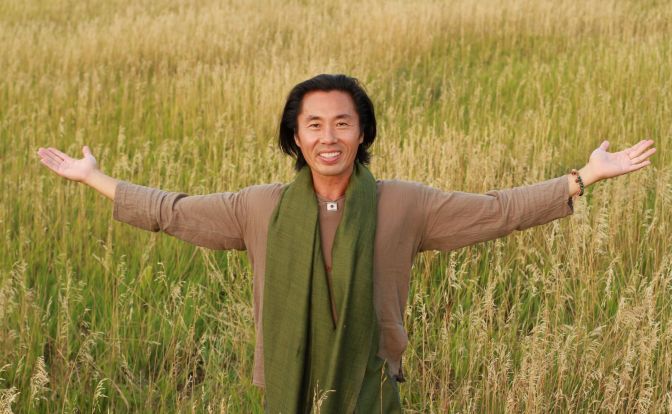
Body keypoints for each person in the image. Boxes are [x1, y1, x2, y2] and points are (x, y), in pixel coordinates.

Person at [37, 74, 656, 413]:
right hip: (289, 388)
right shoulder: (260, 207)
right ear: (295, 138)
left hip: (372, 389)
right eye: (313, 124)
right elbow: (174, 213)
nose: (328, 136)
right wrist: (95, 179)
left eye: (342, 123)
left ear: (362, 134)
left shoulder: (404, 204)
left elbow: (496, 212)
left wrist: (583, 177)